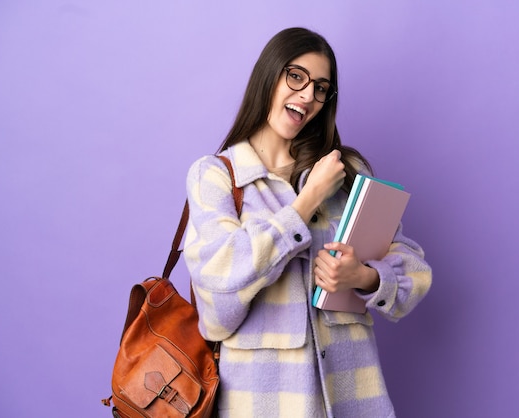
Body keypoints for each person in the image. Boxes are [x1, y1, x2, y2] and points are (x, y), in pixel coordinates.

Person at [184, 27, 432, 418]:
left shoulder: (346, 170)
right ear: (269, 75)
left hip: (356, 399)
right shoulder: (216, 177)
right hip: (261, 404)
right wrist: (308, 200)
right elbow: (219, 298)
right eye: (296, 77)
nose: (307, 96)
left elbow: (414, 270)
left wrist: (363, 277)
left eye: (321, 88)